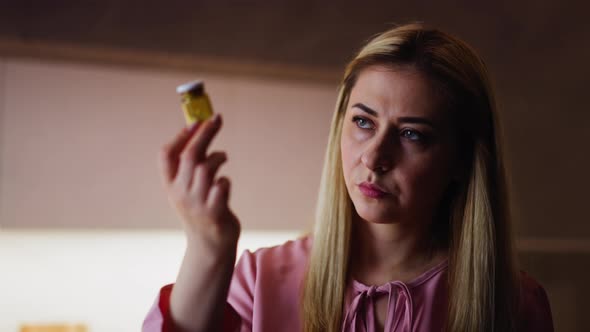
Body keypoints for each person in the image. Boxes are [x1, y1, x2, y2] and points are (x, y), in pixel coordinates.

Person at [143, 22, 554, 332]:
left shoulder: (515, 305)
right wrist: (208, 247)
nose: (375, 157)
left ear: (463, 160)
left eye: (412, 134)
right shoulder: (258, 282)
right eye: (362, 122)